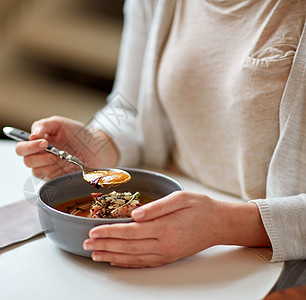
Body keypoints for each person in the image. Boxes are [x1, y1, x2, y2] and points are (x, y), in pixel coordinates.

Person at [15, 0, 306, 268]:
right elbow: (129, 107)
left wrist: (226, 224)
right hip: (174, 238)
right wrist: (98, 143)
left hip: (277, 264)